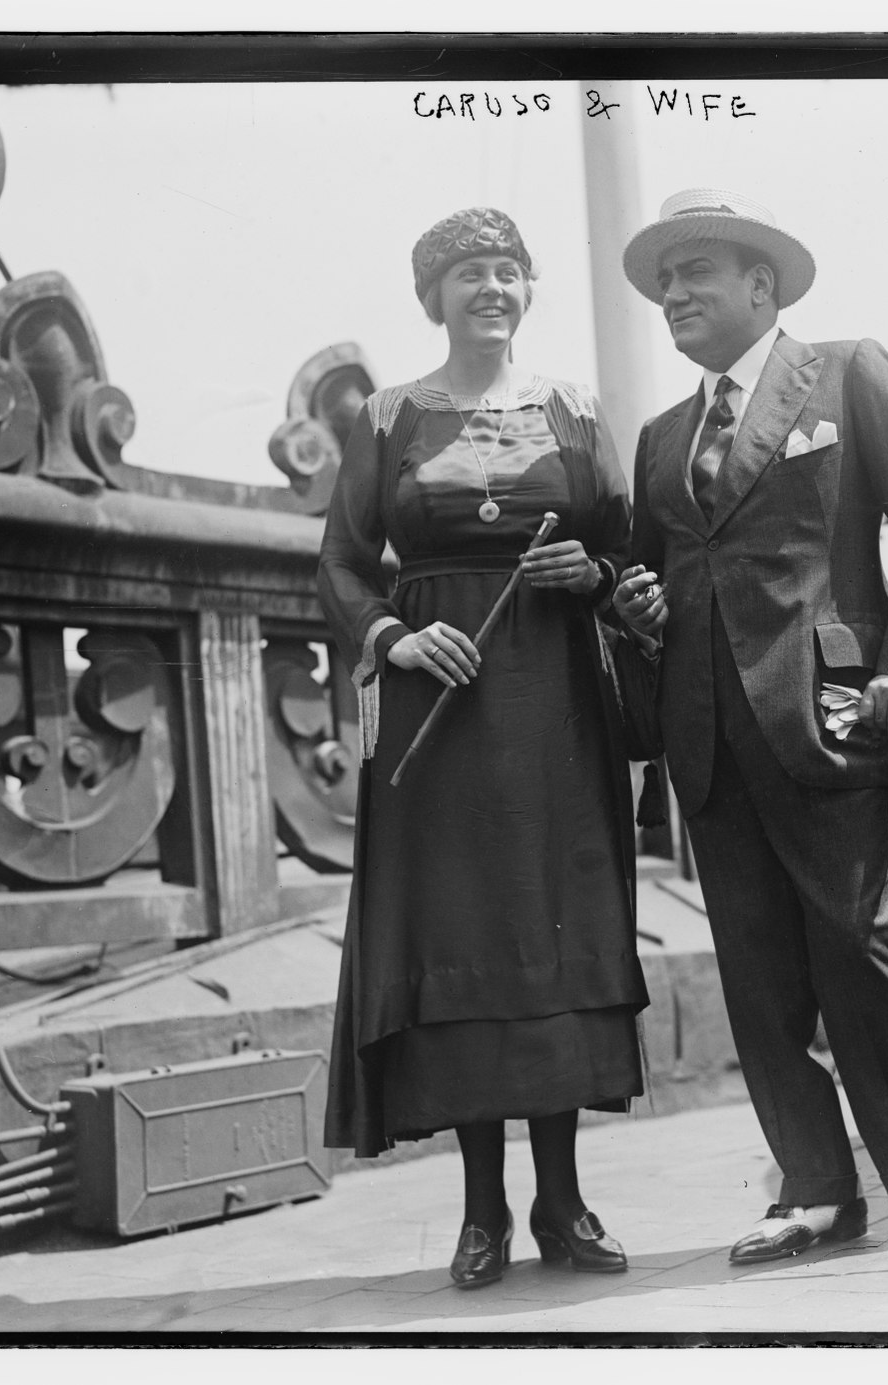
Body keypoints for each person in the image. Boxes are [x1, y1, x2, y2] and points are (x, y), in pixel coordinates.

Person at [611, 188, 888, 1261]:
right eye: (663, 282)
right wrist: (638, 603)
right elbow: (657, 571)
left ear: (760, 284)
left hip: (830, 712)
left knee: (863, 948)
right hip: (708, 730)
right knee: (757, 969)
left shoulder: (851, 372)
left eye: (695, 273)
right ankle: (815, 1186)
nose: (673, 294)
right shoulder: (660, 436)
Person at [319, 207, 648, 1289]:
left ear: (527, 288)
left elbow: (619, 545)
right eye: (469, 274)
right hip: (439, 705)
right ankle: (482, 1212)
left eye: (508, 271)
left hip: (554, 700)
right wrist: (397, 636)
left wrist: (589, 576)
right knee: (462, 938)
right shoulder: (388, 415)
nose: (491, 288)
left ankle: (564, 1202)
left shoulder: (576, 409)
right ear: (434, 296)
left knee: (551, 934)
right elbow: (343, 564)